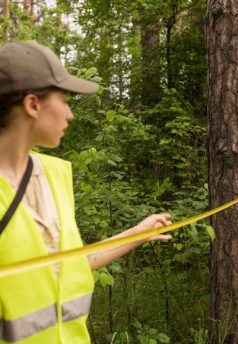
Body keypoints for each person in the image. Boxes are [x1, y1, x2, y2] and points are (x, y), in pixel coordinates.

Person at [0, 41, 172, 344]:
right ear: (32, 104)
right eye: (65, 101)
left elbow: (69, 263)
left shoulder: (56, 175)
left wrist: (138, 233)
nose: (70, 115)